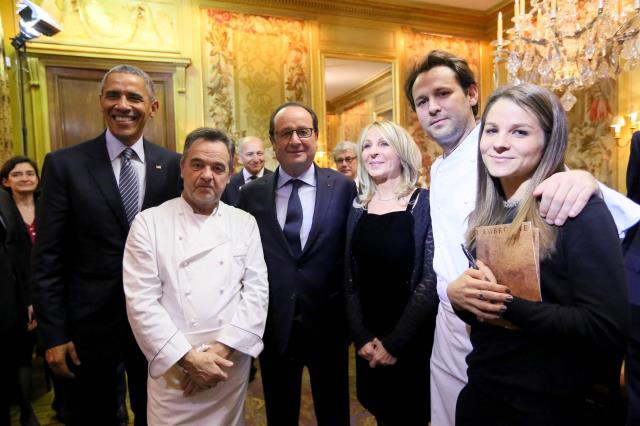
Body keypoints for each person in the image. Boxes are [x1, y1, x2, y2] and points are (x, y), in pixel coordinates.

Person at [404, 49, 640, 425]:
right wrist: (459, 296)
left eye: (443, 94)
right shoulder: (482, 192)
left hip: (543, 392)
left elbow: (619, 216)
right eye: (422, 101)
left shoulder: (559, 195)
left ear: (471, 95)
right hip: (475, 356)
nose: (432, 107)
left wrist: (586, 180)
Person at [447, 83, 628, 425]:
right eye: (492, 130)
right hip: (482, 396)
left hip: (547, 408)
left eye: (520, 132)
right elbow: (490, 322)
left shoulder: (575, 211)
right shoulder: (489, 212)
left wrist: (506, 304)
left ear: (548, 141)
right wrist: (462, 300)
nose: (500, 142)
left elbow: (604, 328)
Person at [32, 64, 182, 426]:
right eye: (113, 95)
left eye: (134, 97)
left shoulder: (174, 166)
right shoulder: (64, 165)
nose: (123, 105)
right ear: (101, 101)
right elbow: (48, 256)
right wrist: (54, 333)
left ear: (153, 107)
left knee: (158, 415)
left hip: (158, 323)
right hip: (87, 330)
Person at [123, 127, 269, 425]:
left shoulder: (244, 223)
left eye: (218, 168)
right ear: (182, 168)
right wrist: (188, 360)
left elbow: (257, 292)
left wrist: (220, 352)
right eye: (198, 164)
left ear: (229, 175)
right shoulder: (148, 223)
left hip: (227, 362)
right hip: (173, 366)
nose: (207, 175)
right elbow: (141, 302)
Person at [237, 102, 356, 425]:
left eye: (303, 132)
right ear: (273, 142)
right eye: (286, 133)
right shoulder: (251, 196)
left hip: (329, 326)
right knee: (280, 414)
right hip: (275, 327)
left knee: (335, 414)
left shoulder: (343, 188)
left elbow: (350, 259)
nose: (295, 140)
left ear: (316, 137)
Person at [344, 120, 437, 425]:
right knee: (382, 413)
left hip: (411, 337)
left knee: (410, 414)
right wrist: (362, 337)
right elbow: (349, 278)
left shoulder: (424, 203)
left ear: (402, 152)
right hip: (369, 338)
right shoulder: (358, 206)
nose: (373, 152)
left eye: (383, 144)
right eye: (367, 146)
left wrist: (394, 343)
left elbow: (429, 278)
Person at [0, 156, 40, 426]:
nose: (25, 178)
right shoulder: (3, 211)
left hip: (50, 287)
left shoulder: (50, 204)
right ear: (6, 181)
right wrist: (27, 299)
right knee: (18, 354)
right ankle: (25, 410)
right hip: (14, 293)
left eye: (30, 173)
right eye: (17, 174)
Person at [222, 136, 273, 206]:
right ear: (239, 158)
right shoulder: (228, 185)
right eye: (250, 154)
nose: (256, 159)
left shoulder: (276, 180)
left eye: (259, 153)